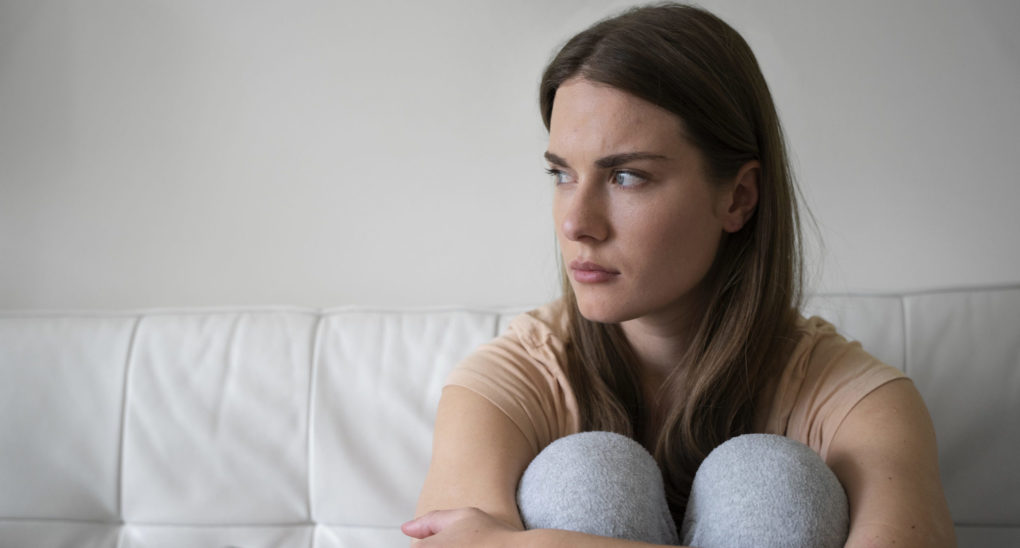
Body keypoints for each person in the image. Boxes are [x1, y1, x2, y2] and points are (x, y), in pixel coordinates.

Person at [403, 3, 955, 547]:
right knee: (585, 473)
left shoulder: (862, 403)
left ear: (738, 198)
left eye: (626, 176)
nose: (575, 223)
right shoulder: (510, 381)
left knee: (771, 480)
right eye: (561, 174)